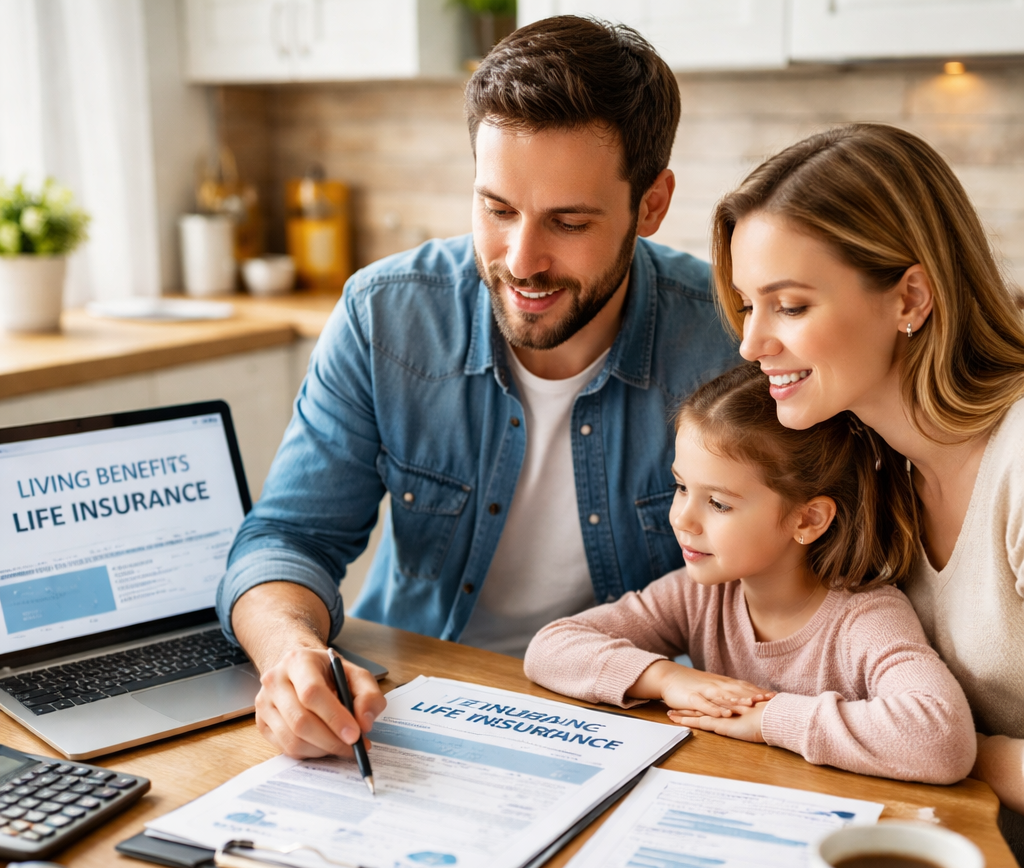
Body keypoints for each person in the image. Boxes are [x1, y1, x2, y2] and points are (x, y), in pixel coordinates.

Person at [216, 17, 739, 760]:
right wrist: (291, 654)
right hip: (409, 703)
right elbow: (287, 540)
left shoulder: (728, 340)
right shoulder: (385, 316)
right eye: (497, 210)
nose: (522, 261)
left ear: (651, 205)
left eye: (568, 222)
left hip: (636, 716)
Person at [711, 123, 1024, 855]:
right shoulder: (872, 461)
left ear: (910, 296)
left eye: (790, 306)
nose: (751, 344)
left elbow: (928, 739)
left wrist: (947, 747)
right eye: (747, 305)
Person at [524, 363, 976, 783]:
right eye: (681, 487)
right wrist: (668, 679)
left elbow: (943, 739)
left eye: (718, 503)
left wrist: (768, 719)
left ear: (807, 520)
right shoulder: (701, 596)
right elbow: (550, 647)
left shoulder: (865, 618)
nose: (682, 519)